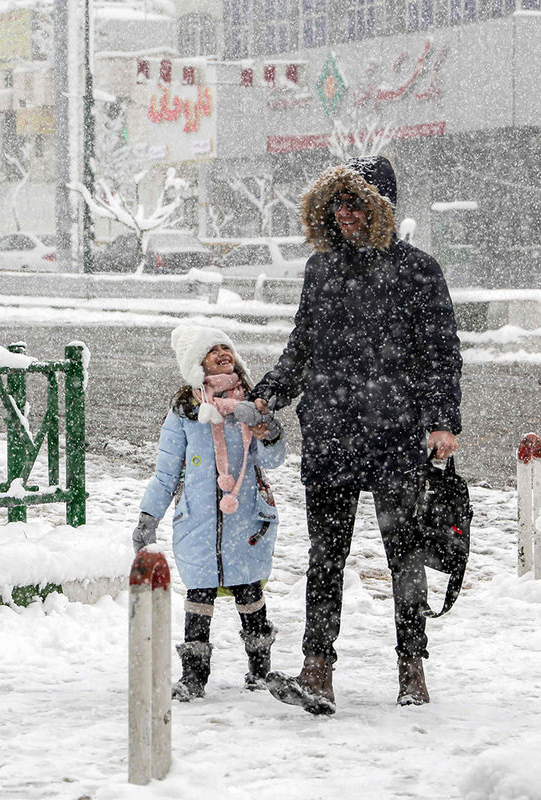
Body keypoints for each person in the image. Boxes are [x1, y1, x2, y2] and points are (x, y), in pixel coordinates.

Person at [250, 155, 463, 716]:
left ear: (380, 210)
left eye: (355, 204)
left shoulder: (419, 270)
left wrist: (443, 421)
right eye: (336, 205)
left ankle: (411, 667)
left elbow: (441, 354)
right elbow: (302, 347)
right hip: (331, 432)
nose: (344, 215)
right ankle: (317, 668)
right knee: (326, 556)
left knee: (405, 556)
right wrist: (269, 392)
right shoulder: (320, 271)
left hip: (396, 433)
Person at [134, 325, 287, 701]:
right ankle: (194, 677)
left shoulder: (250, 403)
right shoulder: (185, 411)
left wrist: (267, 431)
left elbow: (272, 459)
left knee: (249, 592)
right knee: (199, 596)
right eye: (212, 350)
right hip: (199, 522)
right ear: (195, 363)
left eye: (226, 347)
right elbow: (167, 471)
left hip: (246, 517)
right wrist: (148, 516)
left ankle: (259, 670)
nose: (223, 353)